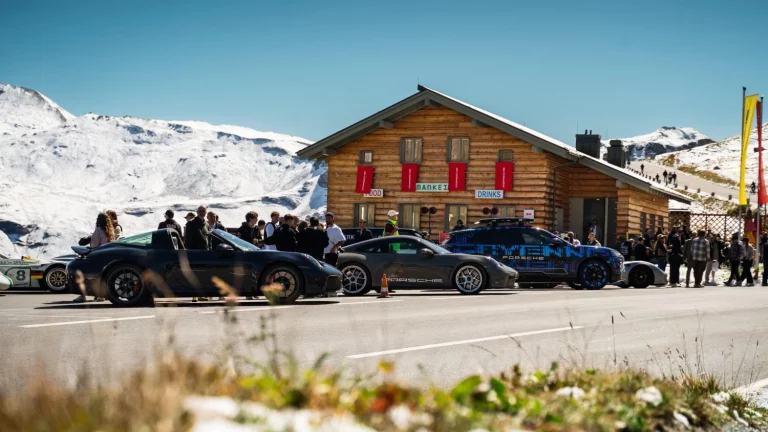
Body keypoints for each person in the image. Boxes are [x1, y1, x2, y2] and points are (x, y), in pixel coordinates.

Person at [74, 213, 114, 302]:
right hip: (108, 255)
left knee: (88, 276)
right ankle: (101, 295)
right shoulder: (110, 231)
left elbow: (94, 244)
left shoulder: (98, 229)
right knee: (102, 276)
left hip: (97, 255)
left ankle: (83, 295)